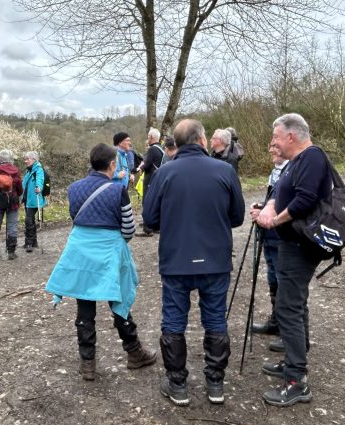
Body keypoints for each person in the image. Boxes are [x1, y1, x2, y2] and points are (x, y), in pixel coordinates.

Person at [142, 119, 245, 406]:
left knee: (174, 320)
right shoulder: (224, 170)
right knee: (215, 318)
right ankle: (215, 384)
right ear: (201, 140)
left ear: (176, 142)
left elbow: (149, 219)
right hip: (215, 260)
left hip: (176, 260)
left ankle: (178, 385)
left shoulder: (164, 174)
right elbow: (237, 217)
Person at [46, 143, 156, 381]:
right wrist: (117, 242)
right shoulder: (117, 190)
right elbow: (128, 227)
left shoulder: (74, 188)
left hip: (80, 250)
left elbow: (75, 216)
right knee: (119, 299)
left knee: (84, 305)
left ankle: (88, 364)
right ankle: (134, 353)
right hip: (108, 251)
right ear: (112, 164)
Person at [252, 113, 332, 407]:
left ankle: (297, 380)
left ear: (291, 136)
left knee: (287, 306)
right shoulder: (298, 162)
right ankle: (293, 360)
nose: (273, 143)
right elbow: (286, 196)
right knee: (294, 303)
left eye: (275, 137)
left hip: (301, 245)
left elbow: (305, 200)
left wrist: (275, 220)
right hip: (292, 243)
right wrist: (266, 209)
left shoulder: (312, 157)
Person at [250, 144, 289, 352]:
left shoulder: (292, 168)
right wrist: (261, 206)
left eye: (276, 145)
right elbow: (273, 200)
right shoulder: (277, 169)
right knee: (273, 279)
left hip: (283, 235)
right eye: (271, 145)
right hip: (270, 235)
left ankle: (288, 331)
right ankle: (276, 322)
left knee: (285, 283)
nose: (271, 150)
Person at [0, 149, 23, 260]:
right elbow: (20, 190)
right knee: (12, 226)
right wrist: (15, 195)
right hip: (13, 204)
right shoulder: (16, 172)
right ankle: (11, 252)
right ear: (11, 159)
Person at [135, 127, 165, 237]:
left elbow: (146, 164)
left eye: (148, 136)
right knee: (156, 201)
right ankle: (156, 225)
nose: (147, 138)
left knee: (147, 201)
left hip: (150, 178)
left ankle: (147, 228)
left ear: (151, 137)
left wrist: (139, 167)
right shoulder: (160, 148)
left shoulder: (152, 149)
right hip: (158, 178)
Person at [21, 151, 46, 252]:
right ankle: (34, 242)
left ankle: (29, 243)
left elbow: (40, 180)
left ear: (33, 159)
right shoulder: (29, 170)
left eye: (27, 159)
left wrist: (38, 187)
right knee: (30, 220)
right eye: (25, 159)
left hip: (35, 200)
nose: (25, 161)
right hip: (28, 200)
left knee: (28, 220)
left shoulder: (38, 169)